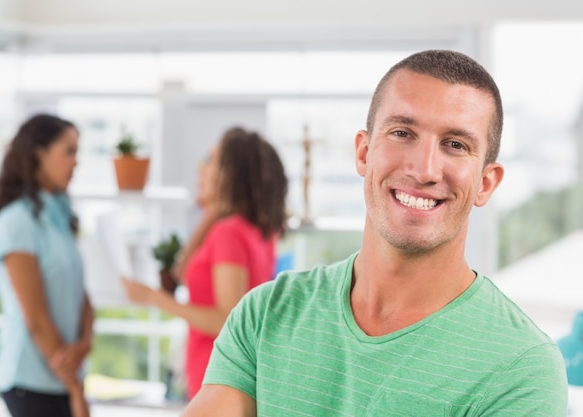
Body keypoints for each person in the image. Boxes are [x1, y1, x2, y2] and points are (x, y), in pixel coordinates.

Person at [182, 50, 568, 416]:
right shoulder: (266, 314)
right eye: (402, 133)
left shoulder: (522, 367)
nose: (424, 169)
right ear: (364, 153)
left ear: (486, 183)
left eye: (455, 144)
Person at [123, 127, 288, 399]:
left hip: (217, 379)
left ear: (231, 173)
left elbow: (226, 319)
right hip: (223, 378)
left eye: (211, 160)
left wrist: (154, 298)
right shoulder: (256, 230)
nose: (201, 167)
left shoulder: (229, 233)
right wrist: (214, 208)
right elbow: (181, 270)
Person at [0, 114, 93, 417]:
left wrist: (84, 345)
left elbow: (82, 297)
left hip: (66, 376)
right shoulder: (16, 223)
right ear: (38, 154)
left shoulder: (59, 217)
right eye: (68, 152)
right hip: (30, 380)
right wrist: (75, 388)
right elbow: (37, 319)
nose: (76, 162)